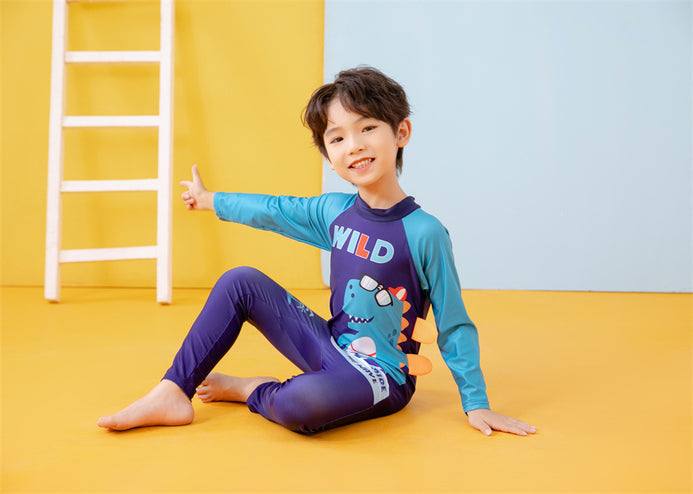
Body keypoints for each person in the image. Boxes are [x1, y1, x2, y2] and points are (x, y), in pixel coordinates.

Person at [97, 67, 536, 436]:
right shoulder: (334, 212)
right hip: (328, 345)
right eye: (337, 138)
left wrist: (476, 402)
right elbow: (273, 210)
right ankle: (174, 391)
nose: (354, 145)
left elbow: (454, 323)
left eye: (368, 128)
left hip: (382, 376)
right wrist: (210, 199)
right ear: (328, 155)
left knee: (301, 405)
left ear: (401, 132)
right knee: (240, 281)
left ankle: (251, 389)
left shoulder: (426, 232)